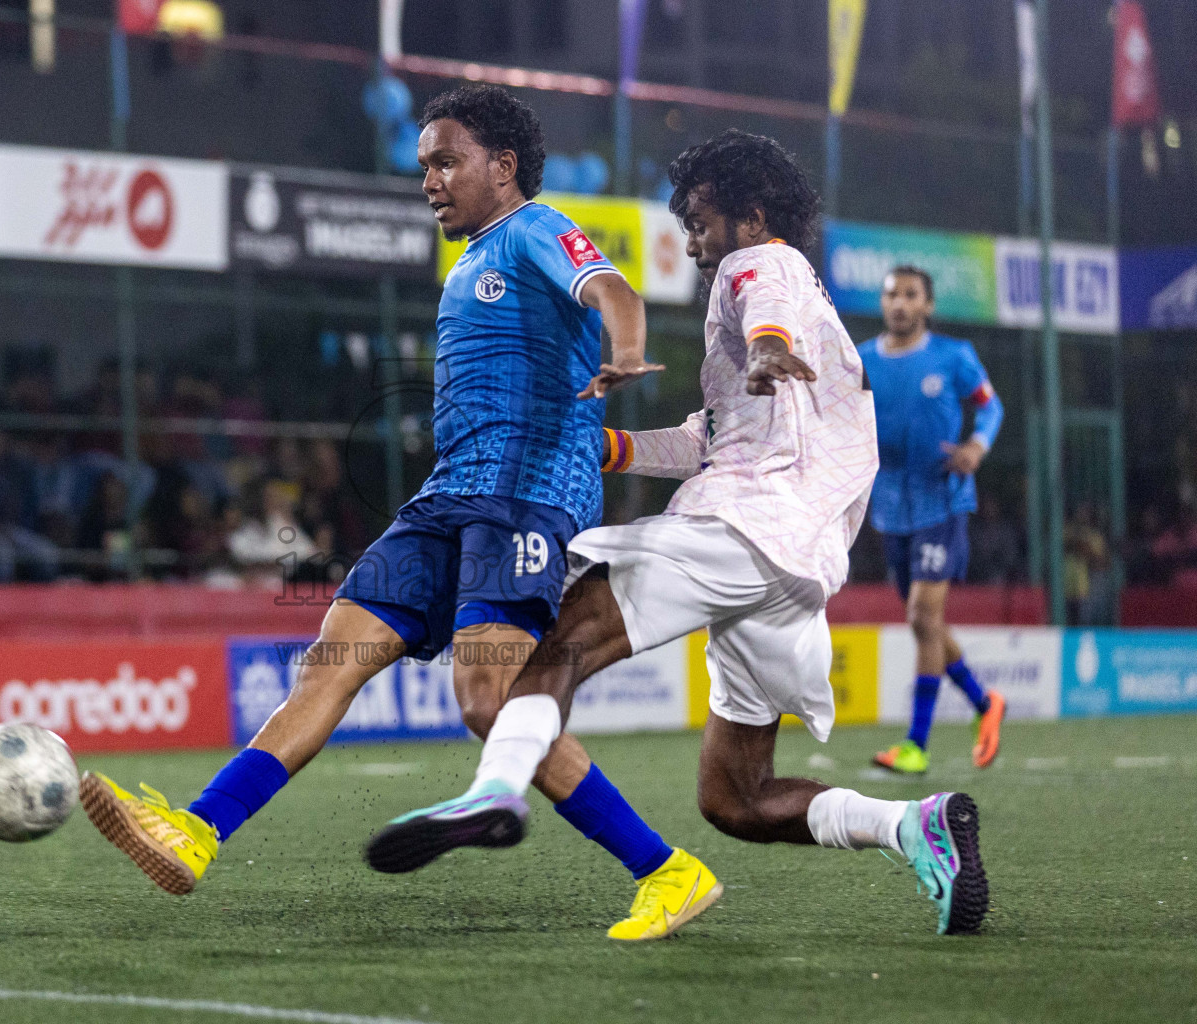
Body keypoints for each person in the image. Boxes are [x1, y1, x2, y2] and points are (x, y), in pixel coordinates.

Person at [79, 84, 696, 942]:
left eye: (447, 162)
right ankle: (197, 832)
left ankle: (667, 870)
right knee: (330, 659)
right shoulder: (473, 255)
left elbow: (614, 290)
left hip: (521, 500)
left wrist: (627, 352)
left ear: (503, 166)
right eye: (424, 167)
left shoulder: (535, 229)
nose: (430, 182)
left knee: (486, 701)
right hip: (446, 499)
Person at [369, 130, 989, 938]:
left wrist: (767, 348)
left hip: (741, 527)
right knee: (736, 797)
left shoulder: (757, 267)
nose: (692, 242)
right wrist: (605, 446)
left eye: (699, 221)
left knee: (566, 636)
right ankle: (915, 827)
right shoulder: (819, 316)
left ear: (752, 215)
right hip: (794, 569)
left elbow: (763, 305)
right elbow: (714, 436)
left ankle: (496, 788)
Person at [860, 266, 1007, 775]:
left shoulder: (953, 357)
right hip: (888, 510)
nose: (900, 303)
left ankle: (916, 744)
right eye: (891, 294)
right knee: (929, 623)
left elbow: (991, 409)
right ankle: (986, 703)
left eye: (910, 295)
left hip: (943, 501)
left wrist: (976, 447)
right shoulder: (859, 361)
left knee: (922, 618)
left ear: (927, 305)